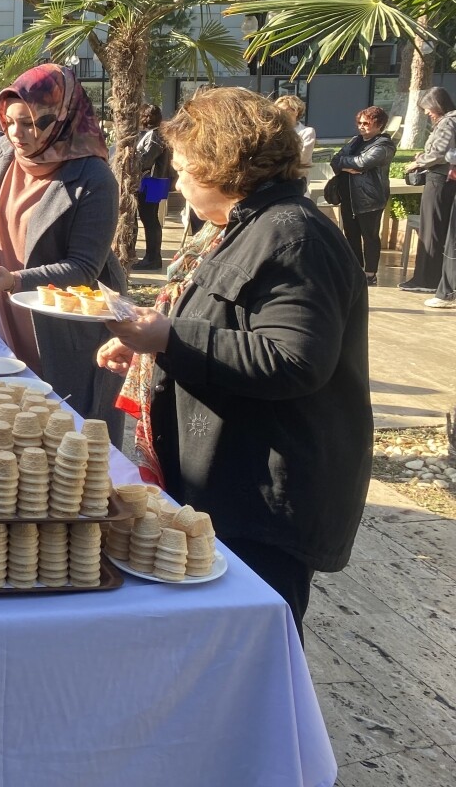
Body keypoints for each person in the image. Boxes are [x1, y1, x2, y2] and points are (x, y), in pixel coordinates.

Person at [96, 87, 371, 638]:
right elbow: (225, 319)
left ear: (220, 164)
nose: (175, 182)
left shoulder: (294, 236)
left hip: (264, 498)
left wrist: (170, 336)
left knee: (246, 644)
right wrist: (152, 339)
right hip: (227, 482)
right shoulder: (245, 226)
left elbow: (294, 358)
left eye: (182, 168)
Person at [0, 66, 125, 439]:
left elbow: (84, 267)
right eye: (11, 122)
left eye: (32, 123)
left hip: (65, 332)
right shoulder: (2, 151)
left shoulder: (93, 178)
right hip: (4, 308)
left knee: (68, 432)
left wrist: (15, 280)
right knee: (14, 426)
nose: (18, 134)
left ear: (64, 116)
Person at [330, 105, 396, 286]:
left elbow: (363, 162)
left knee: (370, 236)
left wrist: (347, 164)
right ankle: (355, 269)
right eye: (359, 123)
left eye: (366, 123)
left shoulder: (384, 144)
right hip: (349, 196)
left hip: (370, 198)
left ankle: (370, 273)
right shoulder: (356, 141)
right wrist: (346, 166)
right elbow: (334, 160)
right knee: (351, 234)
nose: (361, 126)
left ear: (379, 124)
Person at [401, 87, 456, 294]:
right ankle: (433, 278)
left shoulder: (447, 122)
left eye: (427, 108)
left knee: (431, 229)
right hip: (447, 179)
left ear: (437, 104)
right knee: (438, 229)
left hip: (439, 180)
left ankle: (426, 279)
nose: (426, 112)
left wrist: (418, 162)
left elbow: (440, 153)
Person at [132, 104, 172, 270]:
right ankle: (152, 257)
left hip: (151, 182)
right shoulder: (156, 134)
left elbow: (146, 161)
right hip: (155, 182)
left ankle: (153, 258)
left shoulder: (154, 136)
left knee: (150, 220)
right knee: (151, 220)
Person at [275, 94, 317, 173]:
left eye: (285, 110)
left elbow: (303, 159)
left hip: (296, 178)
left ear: (296, 111)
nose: (281, 114)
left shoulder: (307, 132)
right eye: (278, 110)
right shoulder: (274, 132)